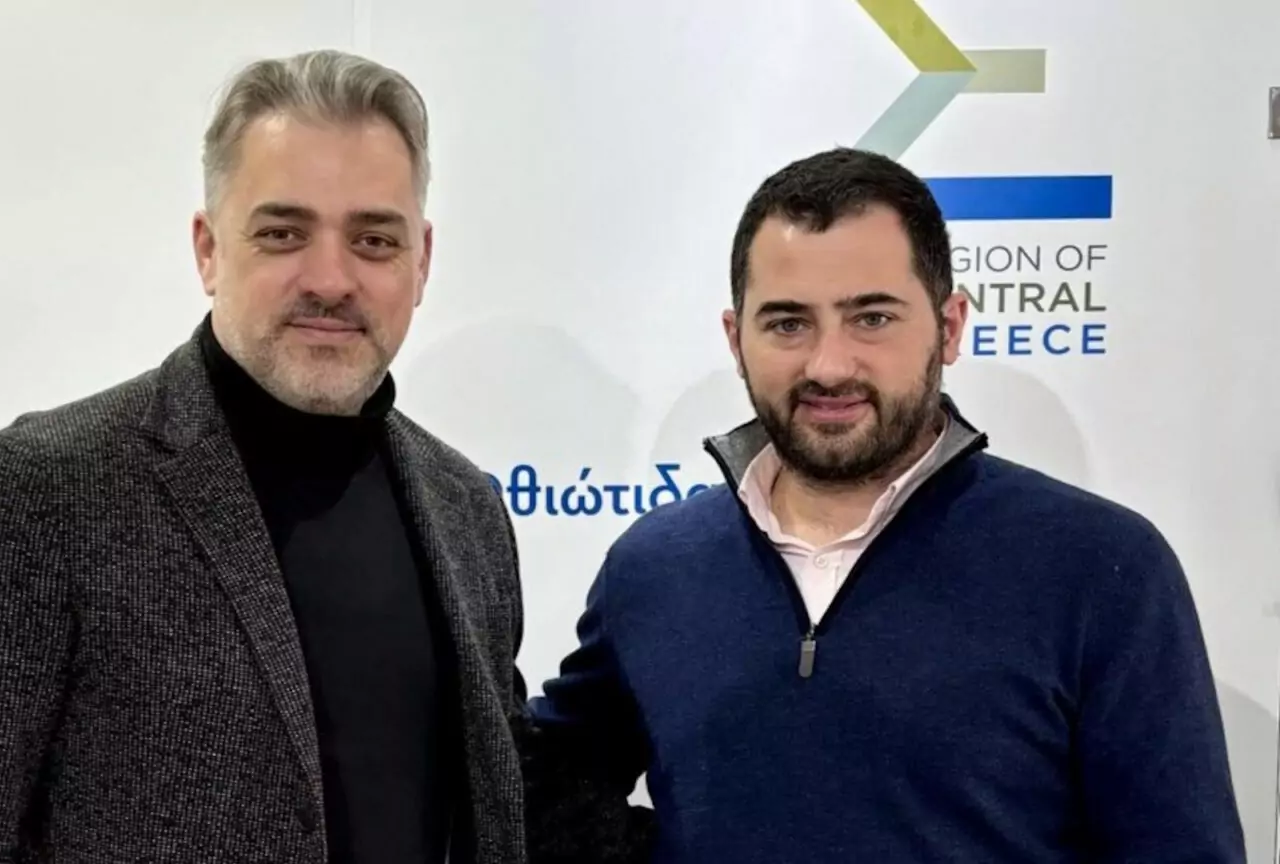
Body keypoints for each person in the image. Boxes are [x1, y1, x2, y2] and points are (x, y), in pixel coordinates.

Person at [0, 49, 528, 864]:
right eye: (283, 233)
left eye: (374, 239)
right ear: (208, 250)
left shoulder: (466, 508)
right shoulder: (37, 493)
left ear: (422, 261)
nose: (331, 278)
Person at [520, 147, 1246, 863]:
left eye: (871, 318)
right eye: (787, 323)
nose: (829, 365)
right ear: (736, 340)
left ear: (950, 327)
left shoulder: (1099, 568)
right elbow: (543, 779)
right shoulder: (654, 566)